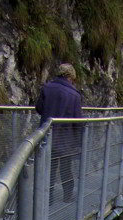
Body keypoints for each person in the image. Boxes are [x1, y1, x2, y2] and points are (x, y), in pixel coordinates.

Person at [35, 64, 82, 204]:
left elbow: (39, 108)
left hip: (47, 136)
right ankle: (67, 197)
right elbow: (77, 120)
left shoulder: (47, 88)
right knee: (66, 169)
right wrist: (79, 142)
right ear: (70, 76)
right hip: (66, 139)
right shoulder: (74, 95)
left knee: (49, 169)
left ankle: (48, 199)